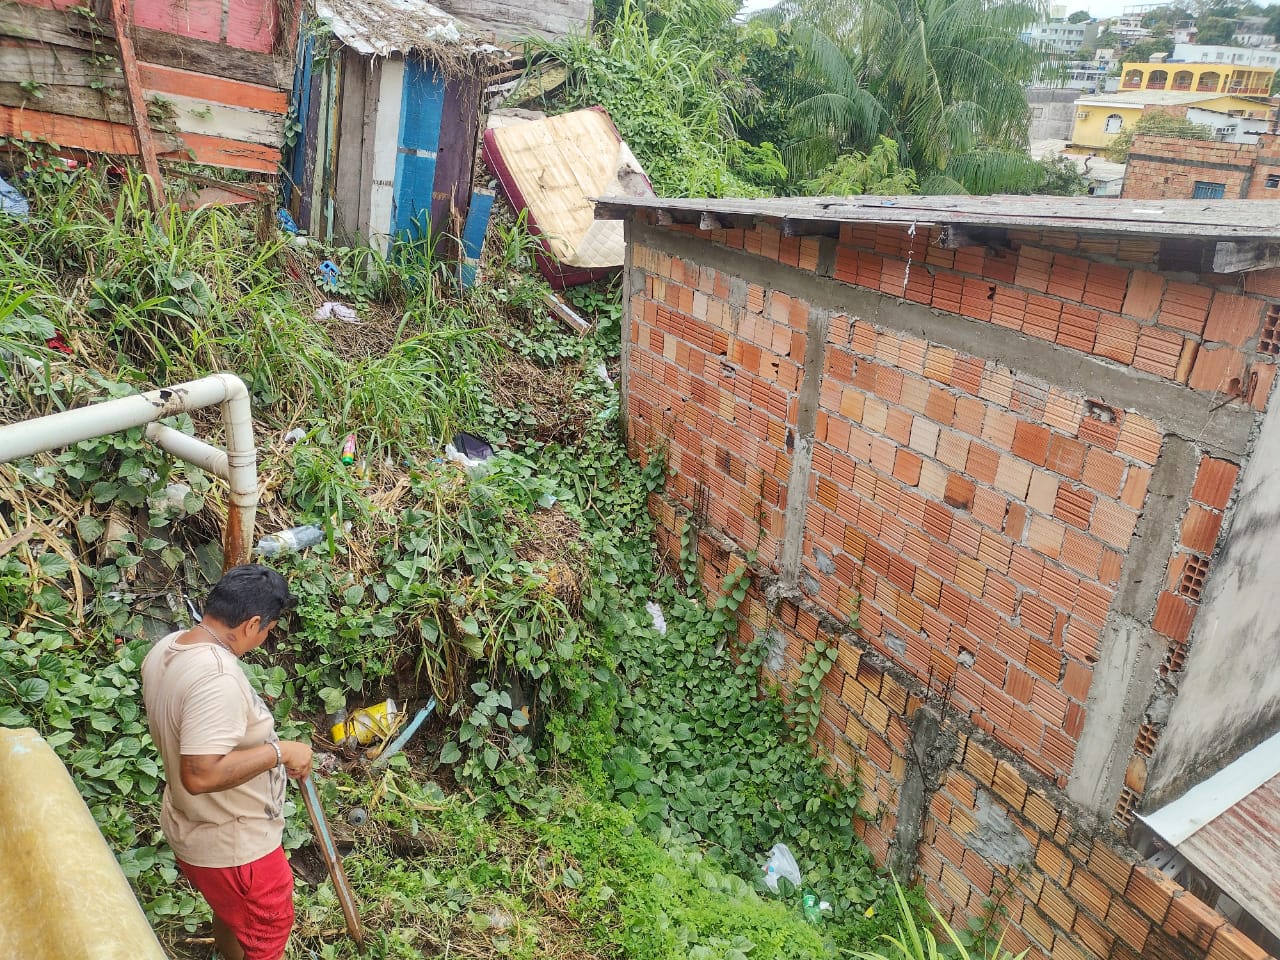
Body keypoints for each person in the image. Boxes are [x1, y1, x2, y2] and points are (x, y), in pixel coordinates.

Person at [142, 564, 312, 960]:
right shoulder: (216, 678)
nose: (266, 638)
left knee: (231, 912)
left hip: (192, 826)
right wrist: (279, 752)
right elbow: (199, 774)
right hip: (235, 847)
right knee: (267, 930)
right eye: (268, 629)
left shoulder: (169, 647)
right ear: (253, 623)